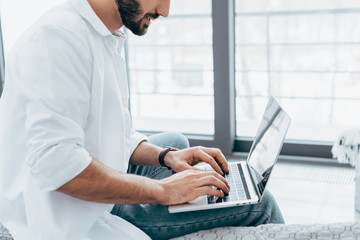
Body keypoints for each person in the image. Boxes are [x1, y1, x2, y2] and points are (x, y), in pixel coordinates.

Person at [0, 0, 284, 239]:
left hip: (88, 180)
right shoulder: (57, 41)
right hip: (72, 210)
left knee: (175, 141)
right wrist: (163, 191)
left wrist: (168, 157)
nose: (165, 10)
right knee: (262, 205)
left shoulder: (104, 33)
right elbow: (57, 165)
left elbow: (116, 131)